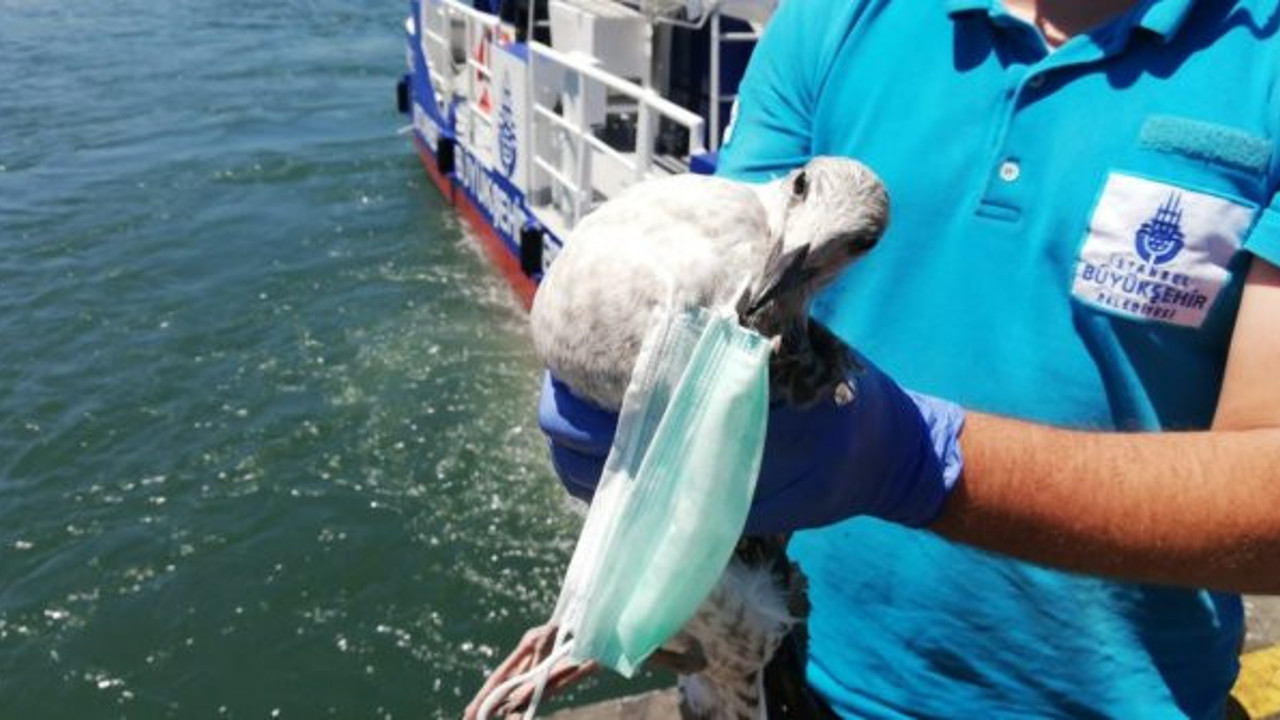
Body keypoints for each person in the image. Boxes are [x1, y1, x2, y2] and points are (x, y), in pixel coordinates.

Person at [535, 0, 1280, 717]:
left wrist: (926, 462)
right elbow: (730, 292)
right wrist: (662, 549)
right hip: (794, 669)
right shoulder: (838, 16)